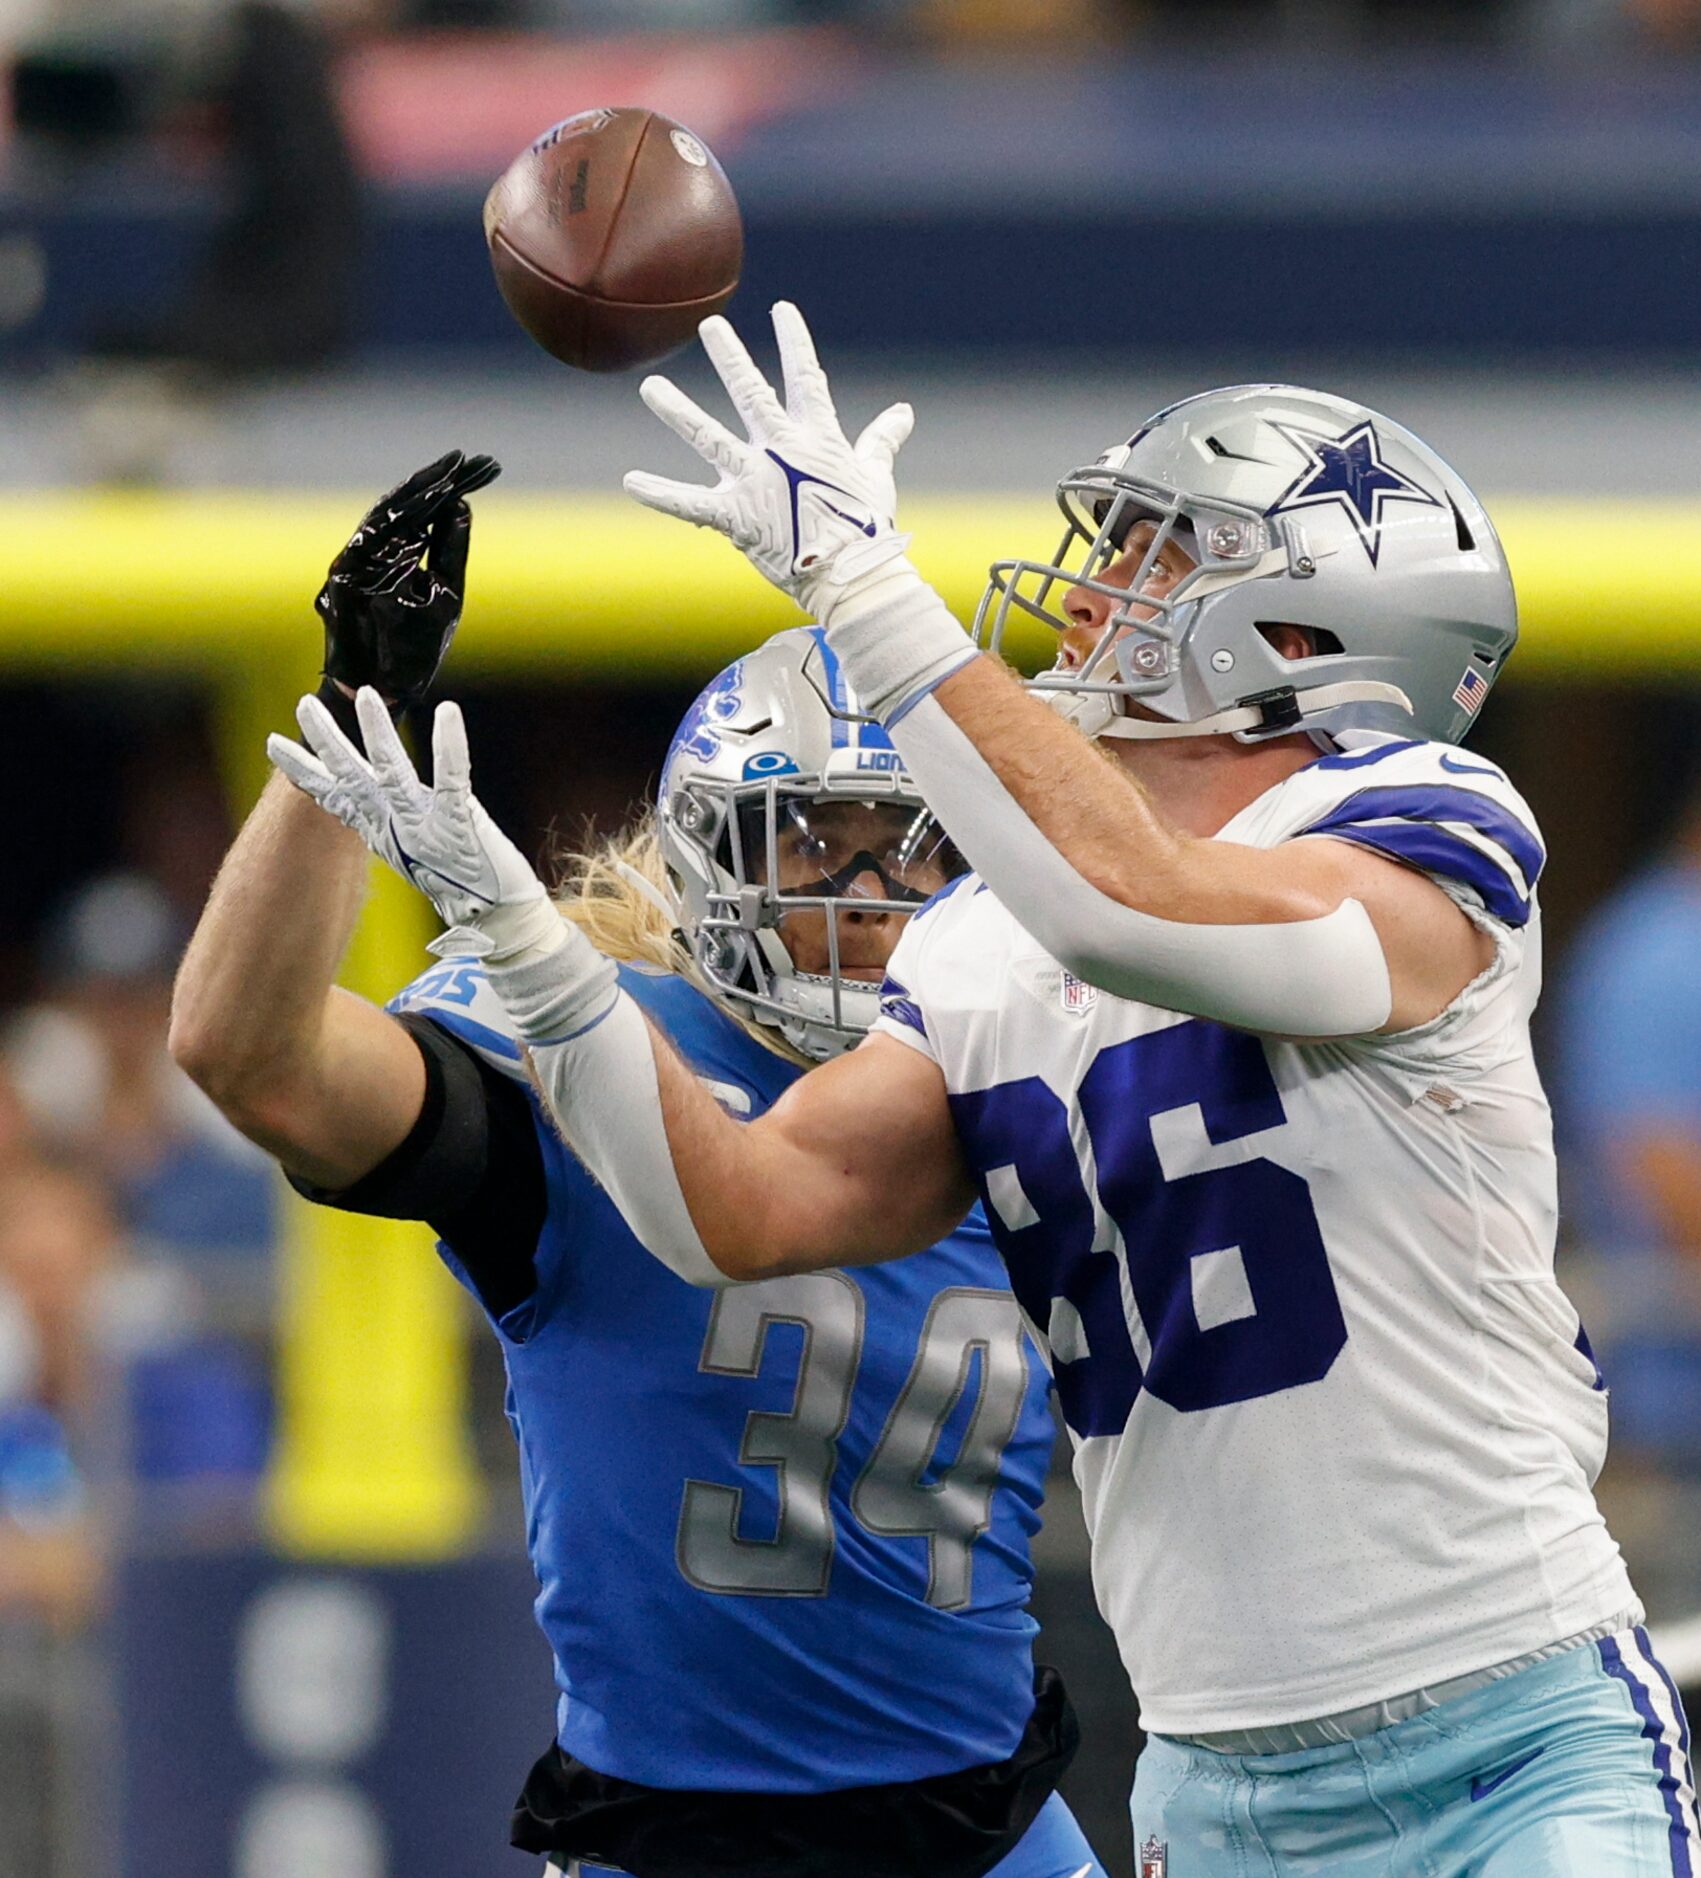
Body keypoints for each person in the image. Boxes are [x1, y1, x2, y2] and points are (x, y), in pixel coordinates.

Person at [277, 308, 1699, 1876]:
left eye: (1160, 553)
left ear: (1297, 641)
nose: (1094, 589)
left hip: (1506, 1729)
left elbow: (1138, 910)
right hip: (1210, 1785)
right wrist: (533, 951)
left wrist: (869, 593)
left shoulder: (1421, 818)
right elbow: (733, 1212)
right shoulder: (975, 944)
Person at [171, 452, 1105, 1878]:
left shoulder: (1034, 1060)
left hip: (987, 1825)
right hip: (671, 1834)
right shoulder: (590, 1051)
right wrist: (359, 727)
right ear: (713, 854)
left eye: (904, 853)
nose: (859, 903)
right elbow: (256, 1057)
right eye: (812, 842)